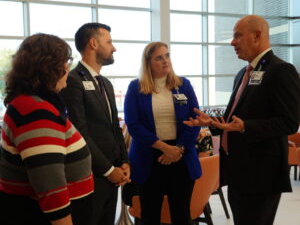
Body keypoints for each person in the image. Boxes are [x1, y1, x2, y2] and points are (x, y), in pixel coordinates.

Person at [184, 15, 300, 225]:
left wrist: (246, 127)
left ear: (257, 36)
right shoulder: (242, 73)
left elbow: (289, 122)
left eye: (238, 36)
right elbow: (233, 118)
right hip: (238, 171)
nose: (232, 42)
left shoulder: (281, 71)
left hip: (262, 174)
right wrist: (212, 123)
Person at [0, 33, 94, 225]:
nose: (68, 67)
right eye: (65, 61)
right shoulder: (35, 110)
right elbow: (50, 185)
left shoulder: (31, 103)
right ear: (49, 67)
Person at [60, 23, 130, 225]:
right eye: (109, 42)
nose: (114, 47)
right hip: (91, 176)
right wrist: (109, 170)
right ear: (93, 43)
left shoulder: (105, 84)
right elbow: (79, 133)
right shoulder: (73, 80)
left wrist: (124, 162)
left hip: (113, 176)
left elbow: (114, 127)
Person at [124, 42, 202, 225]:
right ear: (148, 62)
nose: (165, 61)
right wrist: (164, 148)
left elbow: (196, 119)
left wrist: (178, 149)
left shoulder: (183, 84)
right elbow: (133, 125)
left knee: (181, 215)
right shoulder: (136, 88)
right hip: (149, 157)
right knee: (150, 216)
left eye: (167, 55)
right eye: (159, 58)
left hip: (180, 156)